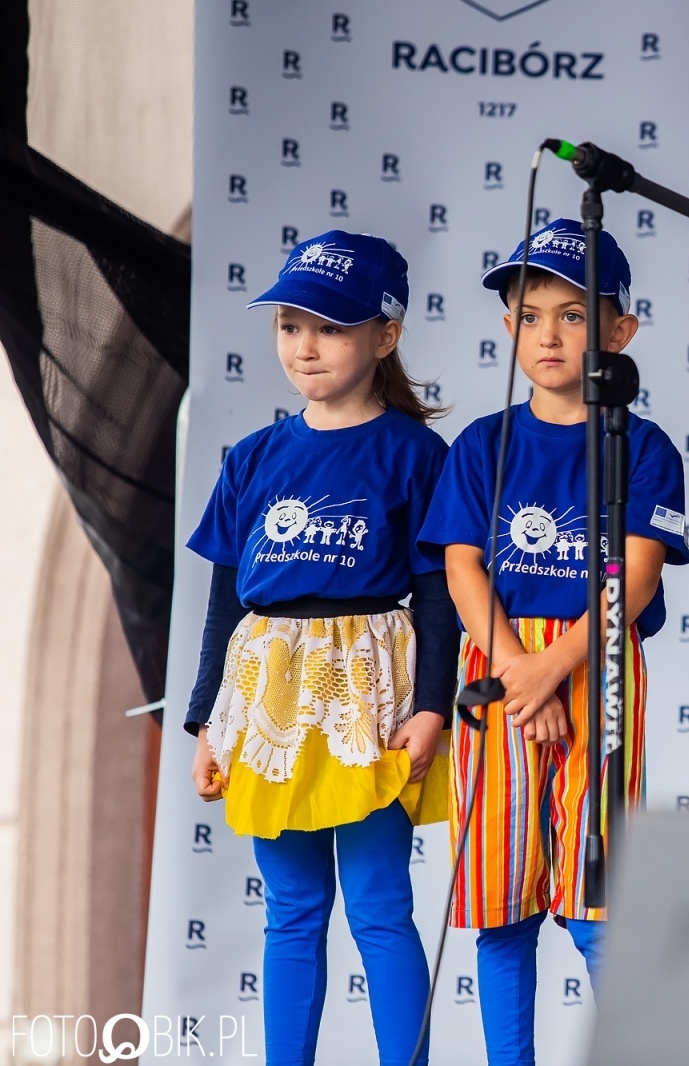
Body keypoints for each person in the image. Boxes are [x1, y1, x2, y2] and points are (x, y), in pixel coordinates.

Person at [417, 219, 689, 1066]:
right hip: (497, 665)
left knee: (597, 898)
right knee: (499, 901)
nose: (548, 334)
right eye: (530, 315)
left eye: (573, 315)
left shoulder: (641, 446)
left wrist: (552, 670)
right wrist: (515, 673)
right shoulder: (480, 445)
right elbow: (463, 570)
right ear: (507, 329)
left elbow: (635, 580)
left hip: (597, 662)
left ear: (619, 331)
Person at [185, 231, 454, 1066]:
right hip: (267, 696)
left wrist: (433, 707)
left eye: (330, 327)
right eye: (290, 325)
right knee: (292, 907)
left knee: (379, 903)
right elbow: (227, 596)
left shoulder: (417, 453)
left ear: (386, 335)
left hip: (369, 693)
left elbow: (442, 594)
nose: (305, 345)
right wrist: (207, 719)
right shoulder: (255, 457)